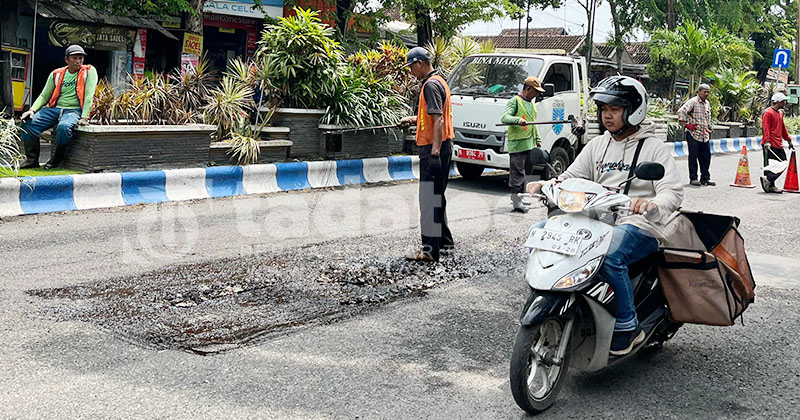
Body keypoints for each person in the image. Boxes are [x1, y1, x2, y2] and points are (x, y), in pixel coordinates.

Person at [526, 76, 684, 356]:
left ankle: (627, 325)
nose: (606, 115)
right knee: (541, 232)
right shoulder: (598, 145)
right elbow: (571, 176)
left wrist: (652, 205)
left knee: (610, 255)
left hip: (640, 224)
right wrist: (547, 185)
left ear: (634, 110)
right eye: (603, 109)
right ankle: (546, 296)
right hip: (598, 219)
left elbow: (672, 192)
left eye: (614, 108)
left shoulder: (653, 148)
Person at [399, 47, 455, 262]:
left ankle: (430, 251)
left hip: (434, 149)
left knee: (429, 199)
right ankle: (445, 242)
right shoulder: (440, 81)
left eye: (411, 66)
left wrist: (434, 154)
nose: (411, 71)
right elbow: (434, 116)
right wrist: (413, 120)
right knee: (437, 196)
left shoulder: (430, 85)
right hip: (444, 146)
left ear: (420, 63)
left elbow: (438, 120)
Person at [19, 45, 98, 169]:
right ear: (66, 59)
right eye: (75, 58)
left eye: (81, 58)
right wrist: (32, 110)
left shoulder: (89, 71)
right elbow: (44, 95)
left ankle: (57, 158)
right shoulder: (56, 74)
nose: (78, 61)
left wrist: (85, 117)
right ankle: (31, 160)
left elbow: (89, 95)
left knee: (64, 127)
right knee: (27, 124)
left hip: (74, 110)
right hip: (54, 109)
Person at [501, 76, 545, 212]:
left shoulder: (531, 103)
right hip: (518, 144)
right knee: (517, 173)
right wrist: (518, 120)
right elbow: (504, 117)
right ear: (528, 89)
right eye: (536, 91)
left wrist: (537, 139)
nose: (537, 94)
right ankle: (516, 201)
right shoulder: (515, 101)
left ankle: (521, 197)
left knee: (527, 172)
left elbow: (533, 123)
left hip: (529, 144)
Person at [677, 84, 714, 186]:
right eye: (704, 92)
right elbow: (681, 111)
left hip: (704, 135)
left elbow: (707, 118)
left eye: (708, 92)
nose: (706, 94)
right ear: (699, 92)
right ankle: (693, 178)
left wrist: (708, 127)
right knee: (693, 157)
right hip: (693, 134)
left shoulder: (707, 103)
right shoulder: (693, 102)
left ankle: (705, 178)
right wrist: (687, 125)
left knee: (706, 157)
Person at [760, 92, 795, 193]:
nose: (785, 102)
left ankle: (769, 181)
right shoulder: (768, 113)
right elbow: (766, 128)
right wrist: (767, 141)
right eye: (783, 101)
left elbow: (782, 128)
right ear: (779, 102)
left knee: (782, 164)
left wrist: (788, 140)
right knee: (772, 166)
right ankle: (770, 183)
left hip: (778, 143)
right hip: (770, 144)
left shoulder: (780, 113)